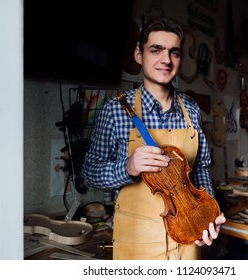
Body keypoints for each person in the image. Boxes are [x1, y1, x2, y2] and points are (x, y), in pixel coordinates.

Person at [82, 16, 225, 260]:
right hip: (138, 244)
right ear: (139, 55)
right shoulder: (116, 110)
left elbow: (199, 170)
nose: (166, 60)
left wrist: (206, 217)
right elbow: (89, 172)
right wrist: (127, 167)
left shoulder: (191, 109)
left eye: (174, 52)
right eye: (156, 50)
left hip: (187, 242)